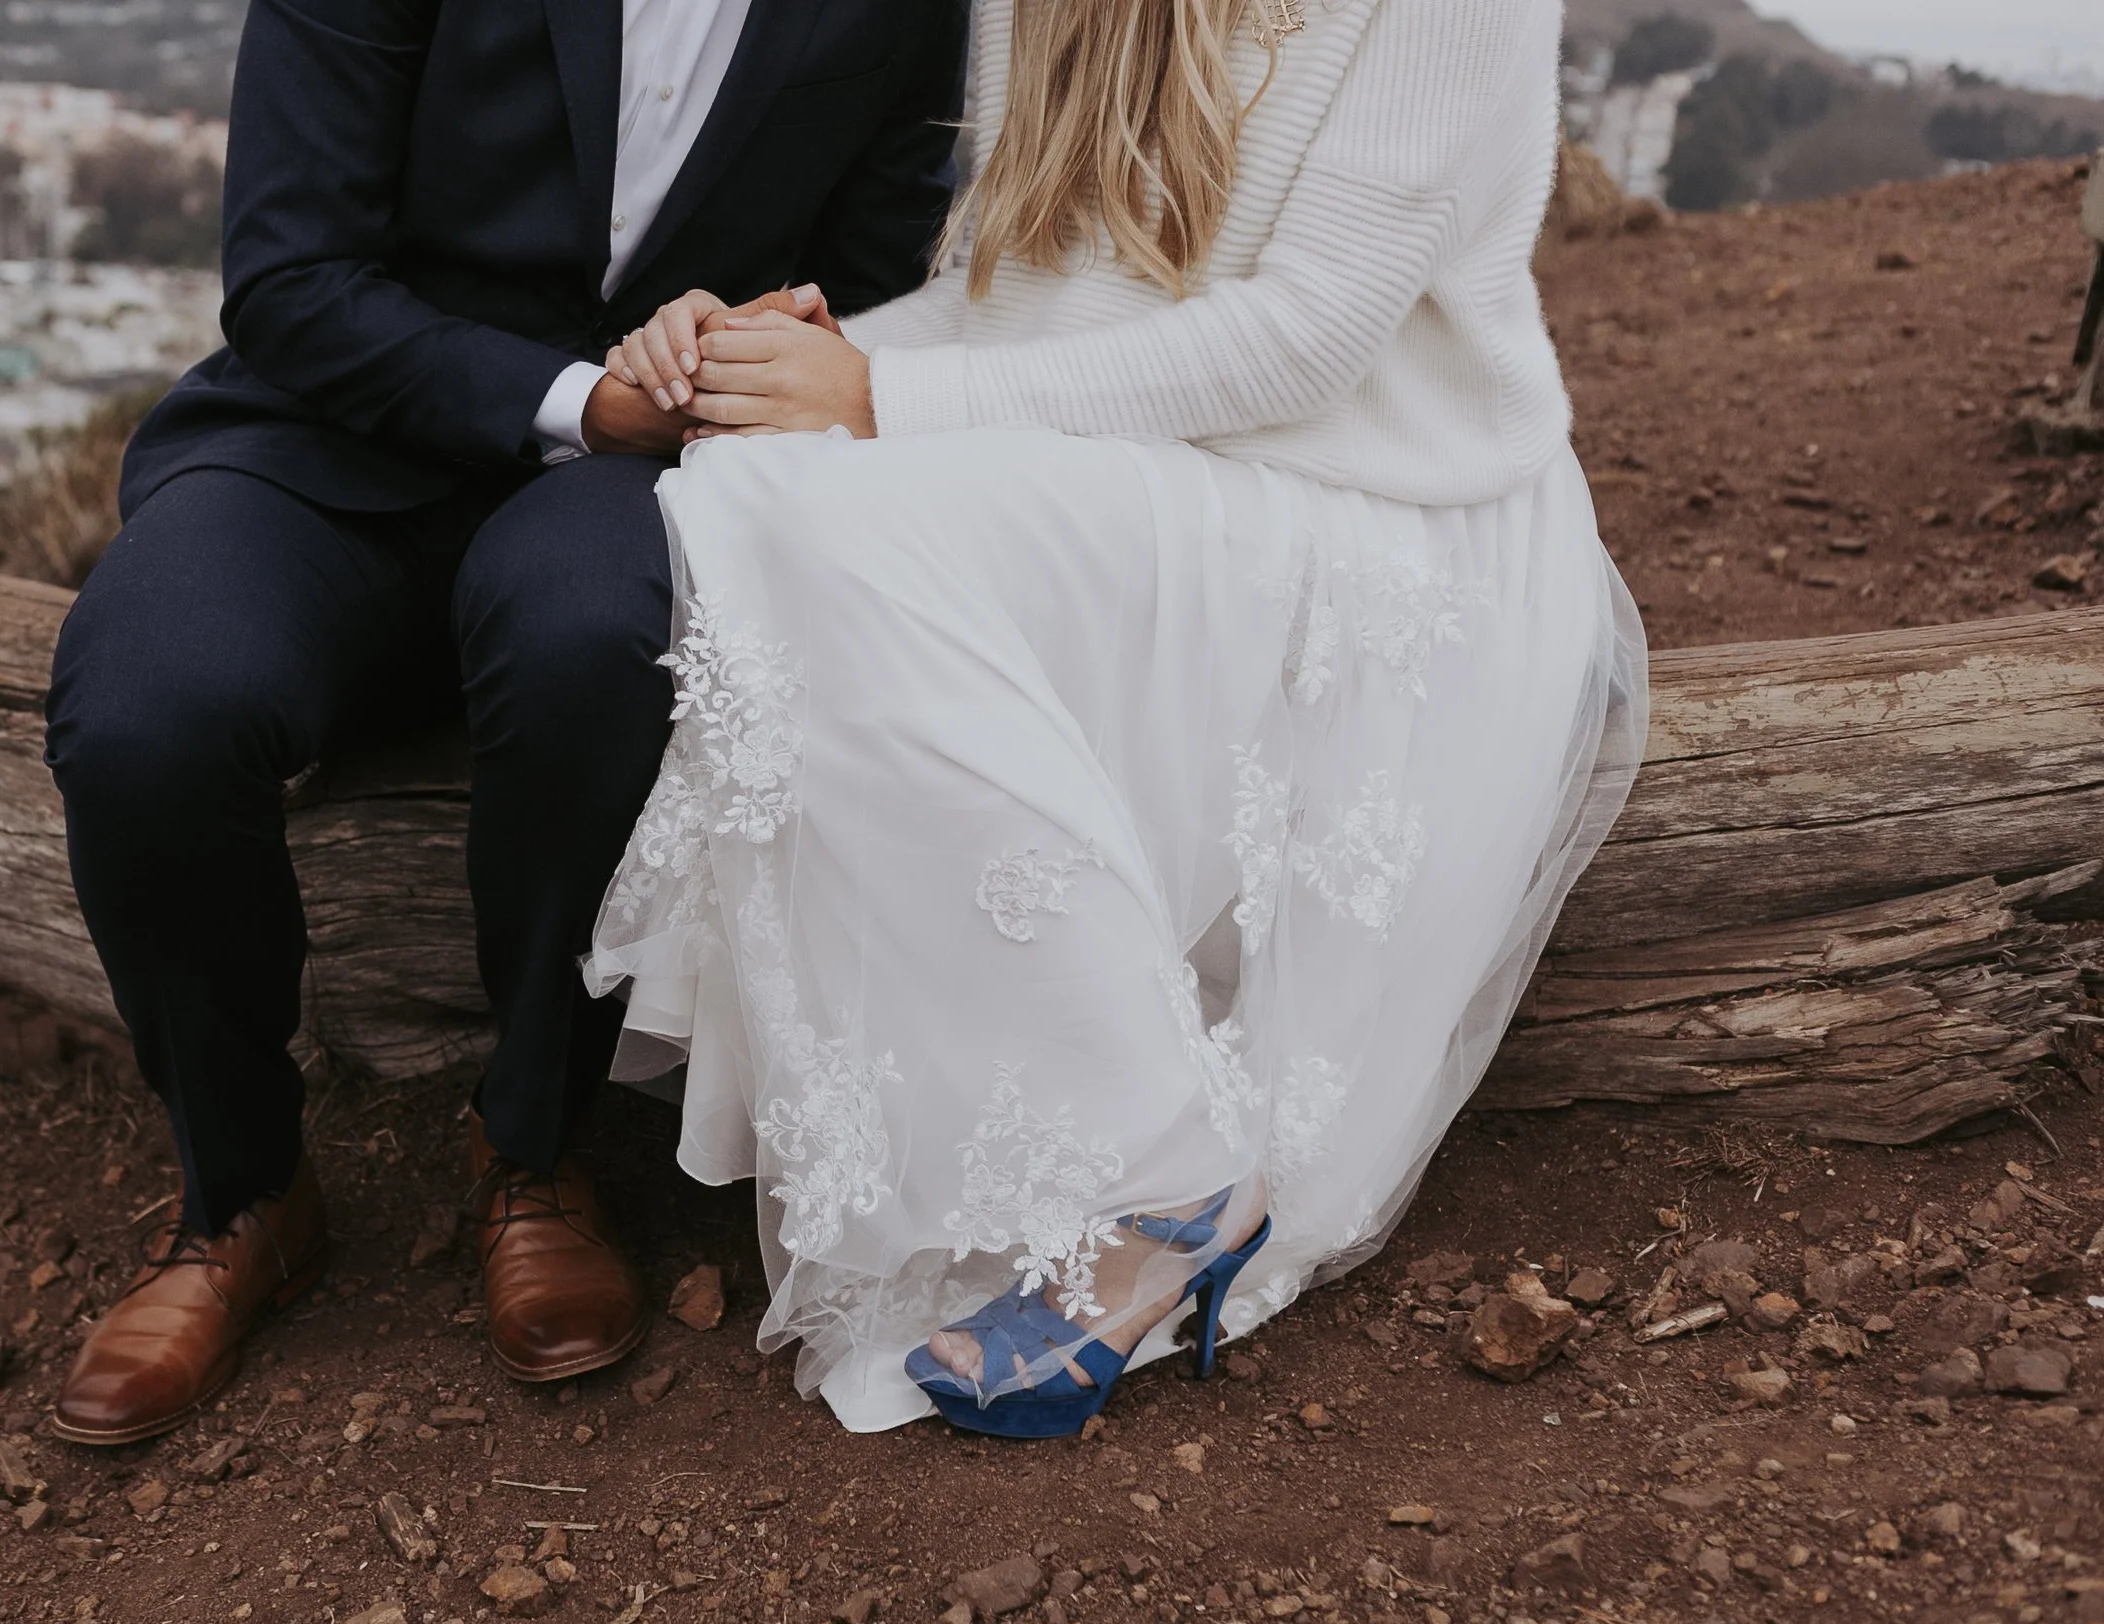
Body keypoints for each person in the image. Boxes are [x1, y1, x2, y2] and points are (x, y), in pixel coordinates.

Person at [583, 0, 1649, 1434]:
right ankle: (1082, 1109)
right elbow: (1011, 302)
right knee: (750, 476)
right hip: (1151, 468)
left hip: (1384, 504)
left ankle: (1168, 1169)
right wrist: (774, 361)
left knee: (810, 507)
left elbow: (1308, 343)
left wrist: (881, 401)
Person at [38, 0, 968, 1443]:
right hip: (332, 431)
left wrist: (761, 339)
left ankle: (531, 1144)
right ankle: (241, 1195)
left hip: (651, 462)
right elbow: (290, 278)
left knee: (594, 641)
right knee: (149, 706)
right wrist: (580, 399)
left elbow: (870, 274)